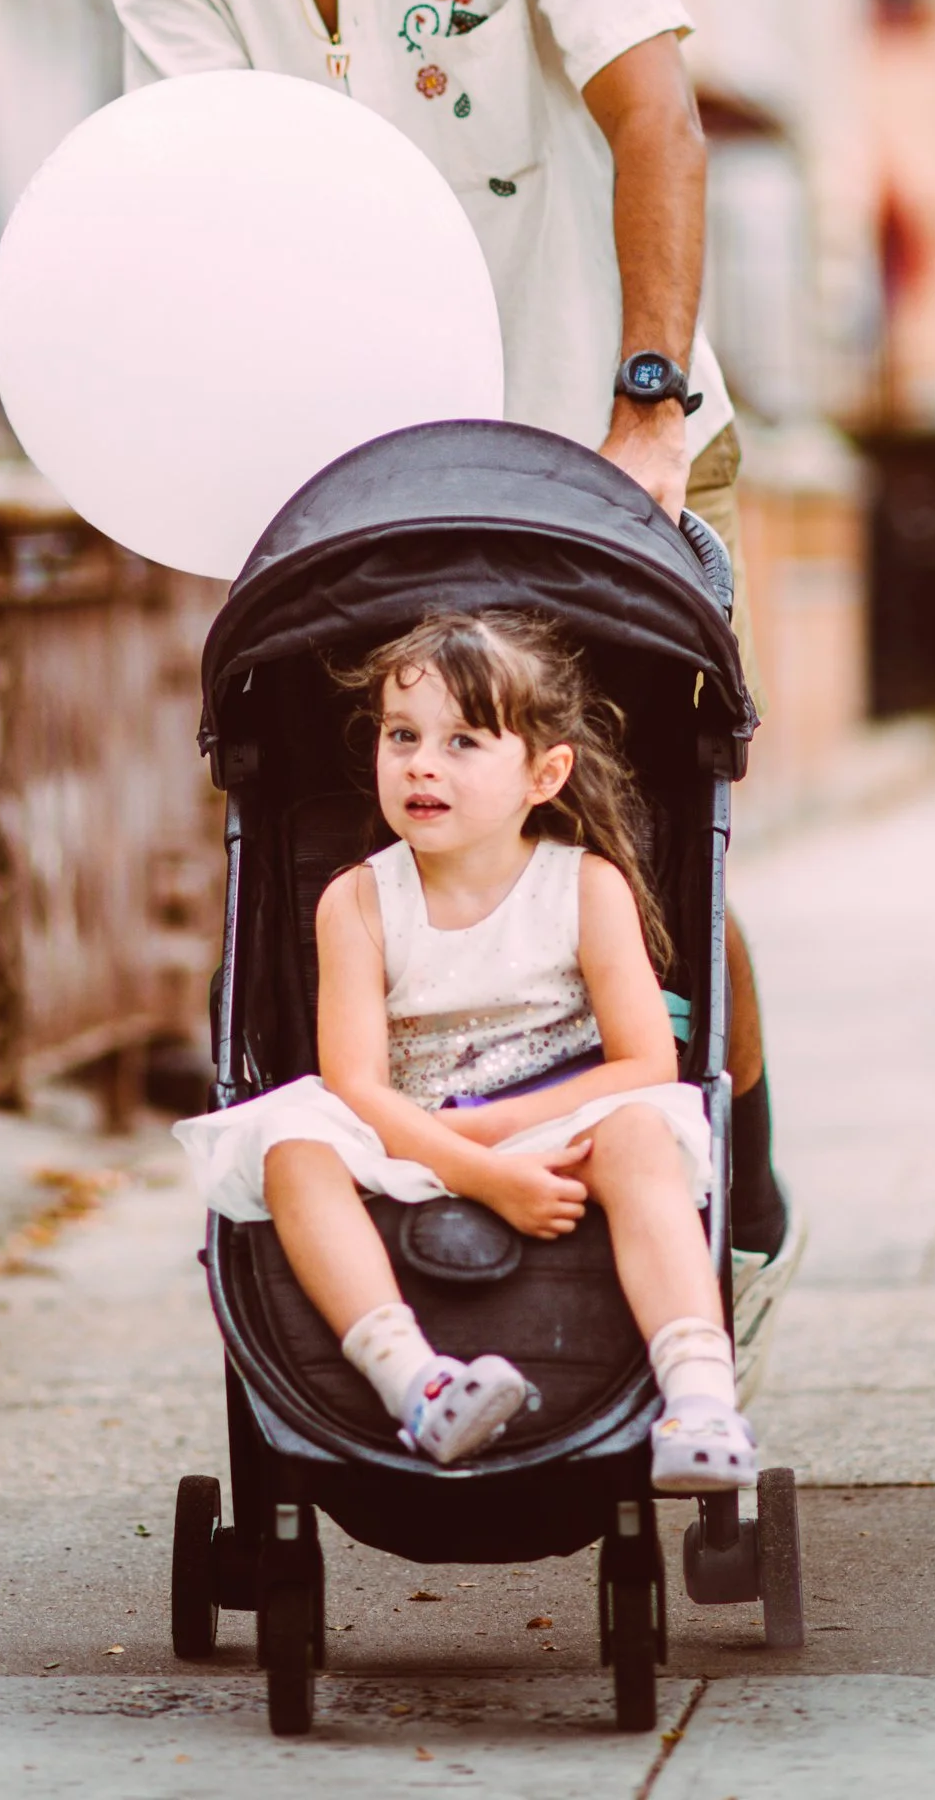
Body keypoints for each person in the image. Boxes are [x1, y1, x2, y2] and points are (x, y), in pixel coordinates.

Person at [69, 0, 798, 1338]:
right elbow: (225, 200)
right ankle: (421, 1187)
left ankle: (732, 1110)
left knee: (632, 829)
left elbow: (650, 111)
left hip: (589, 414)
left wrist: (643, 407)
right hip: (373, 479)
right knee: (415, 830)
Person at [175, 610, 758, 1487]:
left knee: (641, 1130)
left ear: (543, 773)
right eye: (401, 735)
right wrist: (478, 1170)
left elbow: (644, 1061)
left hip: (557, 1117)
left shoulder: (584, 885)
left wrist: (499, 1132)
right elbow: (355, 1086)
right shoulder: (359, 901)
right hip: (403, 1128)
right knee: (293, 1146)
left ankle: (699, 1396)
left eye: (462, 742)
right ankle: (417, 1383)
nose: (421, 764)